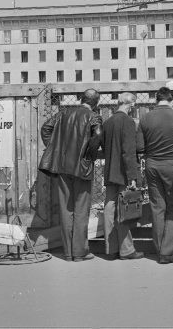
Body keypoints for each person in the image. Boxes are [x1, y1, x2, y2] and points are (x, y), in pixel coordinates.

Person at [39, 89, 102, 262]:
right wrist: (89, 155)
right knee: (81, 210)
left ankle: (68, 253)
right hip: (82, 168)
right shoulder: (93, 116)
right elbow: (97, 135)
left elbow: (45, 128)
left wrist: (54, 149)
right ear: (96, 102)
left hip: (63, 167)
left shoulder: (63, 113)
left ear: (81, 98)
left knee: (66, 210)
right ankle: (79, 252)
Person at [137, 87, 173, 264]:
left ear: (156, 100)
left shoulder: (145, 117)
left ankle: (160, 249)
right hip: (172, 165)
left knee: (157, 207)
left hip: (152, 165)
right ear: (172, 99)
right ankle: (167, 251)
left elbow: (140, 147)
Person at [102, 92, 144, 261]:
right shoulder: (127, 121)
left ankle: (110, 249)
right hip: (124, 172)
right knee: (124, 208)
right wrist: (132, 176)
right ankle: (126, 250)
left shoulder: (108, 122)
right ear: (131, 104)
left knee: (109, 208)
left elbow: (105, 147)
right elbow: (128, 151)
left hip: (110, 170)